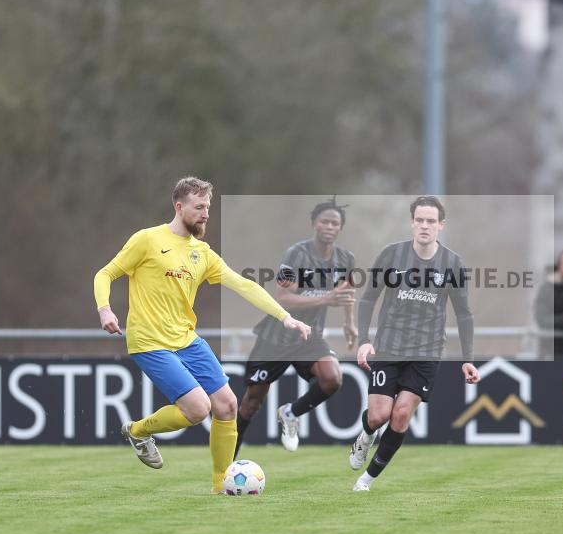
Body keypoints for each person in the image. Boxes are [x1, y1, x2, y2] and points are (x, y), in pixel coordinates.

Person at [93, 177, 310, 494]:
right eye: (199, 207)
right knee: (197, 408)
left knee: (228, 405)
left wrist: (285, 317)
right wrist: (105, 310)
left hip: (186, 339)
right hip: (149, 341)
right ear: (179, 207)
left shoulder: (202, 253)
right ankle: (138, 431)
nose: (206, 213)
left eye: (208, 207)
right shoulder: (147, 240)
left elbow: (243, 285)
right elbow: (105, 273)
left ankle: (221, 486)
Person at [351, 195, 481, 491]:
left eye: (431, 221)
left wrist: (468, 359)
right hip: (389, 346)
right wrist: (364, 340)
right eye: (419, 220)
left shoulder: (452, 263)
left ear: (441, 225)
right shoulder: (391, 255)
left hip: (427, 351)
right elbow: (368, 299)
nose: (425, 226)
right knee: (379, 416)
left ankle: (365, 481)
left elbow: (464, 314)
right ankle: (366, 434)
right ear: (412, 223)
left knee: (400, 416)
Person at [235, 197, 357, 457]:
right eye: (324, 221)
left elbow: (347, 291)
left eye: (335, 223)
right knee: (252, 402)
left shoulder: (346, 258)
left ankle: (291, 414)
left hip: (308, 337)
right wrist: (326, 298)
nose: (329, 226)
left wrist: (349, 322)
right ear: (314, 223)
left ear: (340, 228)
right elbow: (284, 298)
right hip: (276, 337)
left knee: (332, 379)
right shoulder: (296, 255)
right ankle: (225, 463)